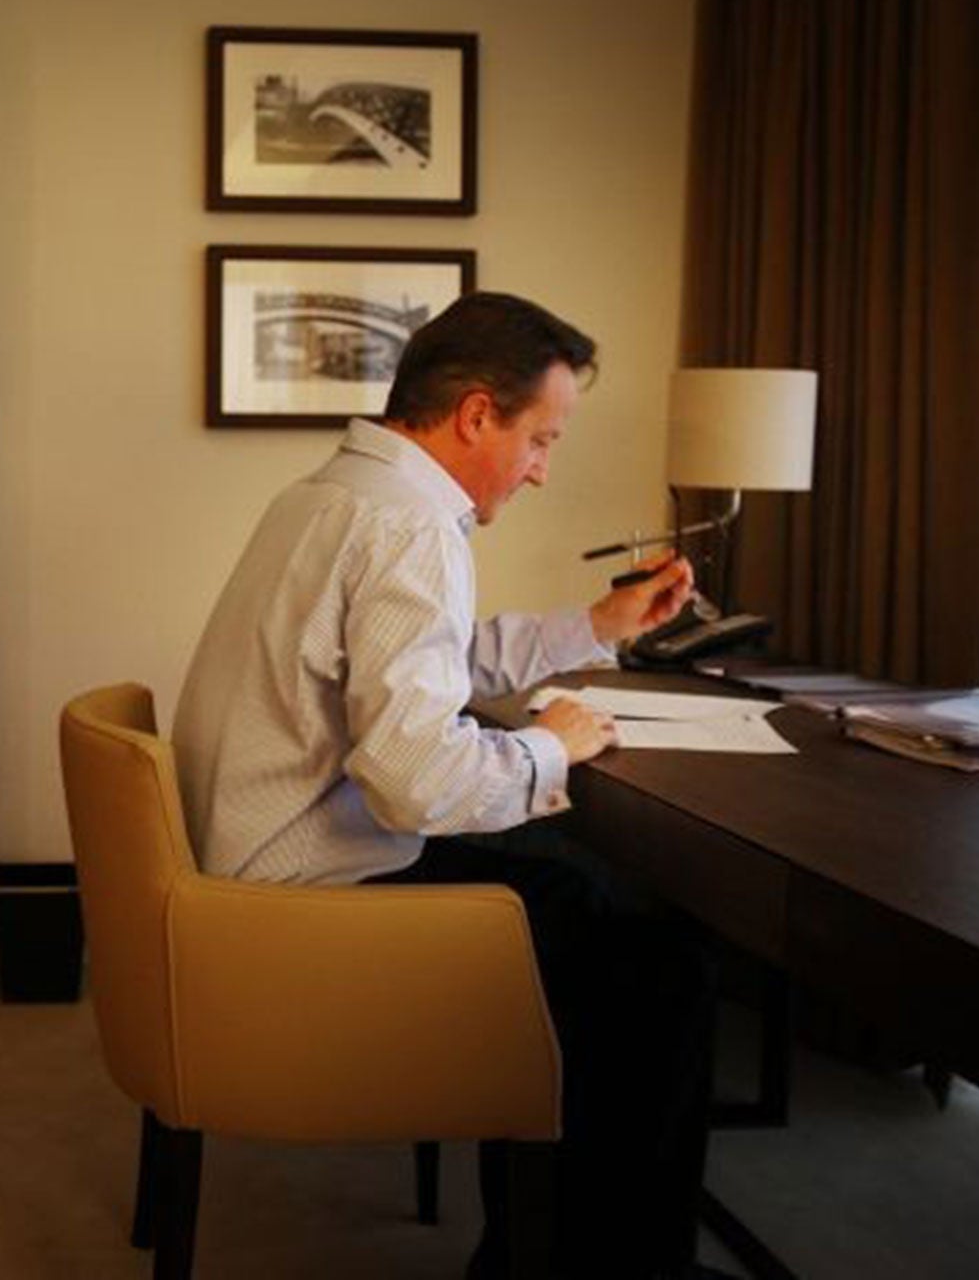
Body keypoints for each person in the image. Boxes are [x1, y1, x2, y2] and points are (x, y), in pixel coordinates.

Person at [173, 291, 718, 1280]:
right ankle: (597, 1264)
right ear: (474, 414)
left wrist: (596, 624)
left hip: (259, 868)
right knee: (652, 958)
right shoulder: (409, 526)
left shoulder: (330, 495)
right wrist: (552, 745)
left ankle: (545, 1242)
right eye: (540, 439)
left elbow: (431, 663)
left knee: (578, 890)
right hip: (305, 903)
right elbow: (417, 785)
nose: (542, 469)